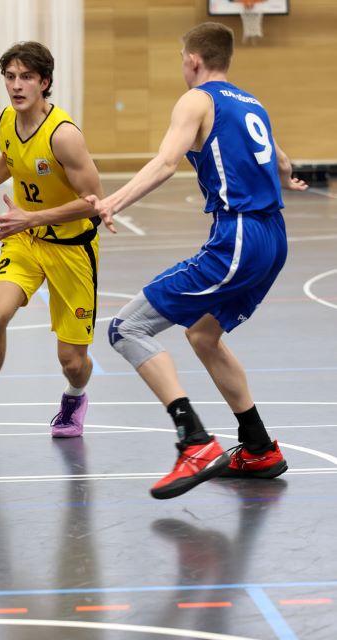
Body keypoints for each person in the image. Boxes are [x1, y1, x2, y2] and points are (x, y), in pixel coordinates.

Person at [86, 22, 307, 500]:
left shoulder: (196, 100)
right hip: (273, 238)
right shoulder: (251, 103)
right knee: (204, 335)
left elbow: (167, 162)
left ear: (192, 60)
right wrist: (289, 179)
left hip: (240, 236)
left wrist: (113, 202)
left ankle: (195, 443)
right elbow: (281, 159)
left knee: (127, 328)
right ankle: (258, 447)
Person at [0, 41, 103, 443]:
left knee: (72, 361)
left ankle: (75, 396)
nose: (17, 85)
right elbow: (10, 158)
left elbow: (94, 203)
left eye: (27, 77)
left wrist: (32, 217)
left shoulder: (64, 136)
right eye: (11, 76)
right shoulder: (1, 121)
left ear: (44, 82)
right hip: (24, 240)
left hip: (72, 248)